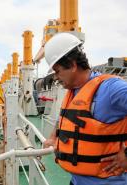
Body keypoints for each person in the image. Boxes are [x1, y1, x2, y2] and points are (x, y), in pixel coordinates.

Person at [43, 32, 127, 185]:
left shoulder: (112, 89)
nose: (55, 77)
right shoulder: (73, 91)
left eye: (57, 71)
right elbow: (65, 118)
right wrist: (53, 137)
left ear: (73, 65)